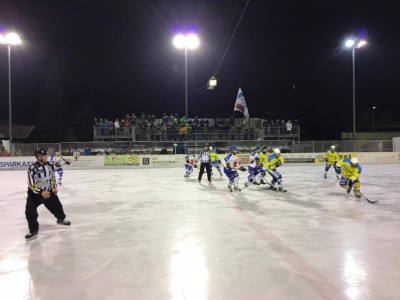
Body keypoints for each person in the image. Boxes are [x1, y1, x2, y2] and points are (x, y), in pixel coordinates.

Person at [25, 149, 71, 240]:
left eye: (46, 155)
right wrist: (41, 191)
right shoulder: (32, 168)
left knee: (57, 207)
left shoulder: (49, 165)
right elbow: (31, 184)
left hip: (49, 191)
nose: (46, 157)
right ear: (38, 157)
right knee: (30, 212)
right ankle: (33, 230)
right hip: (35, 194)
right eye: (44, 156)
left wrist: (54, 186)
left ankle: (60, 219)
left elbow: (52, 177)